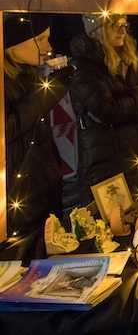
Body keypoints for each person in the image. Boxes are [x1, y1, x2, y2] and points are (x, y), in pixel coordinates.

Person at [4, 14, 74, 260]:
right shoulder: (6, 83)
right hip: (17, 197)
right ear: (12, 43)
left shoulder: (26, 75)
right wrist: (50, 92)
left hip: (42, 187)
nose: (48, 47)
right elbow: (9, 129)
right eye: (41, 39)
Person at [69, 13, 138, 206]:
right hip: (105, 161)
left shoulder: (128, 62)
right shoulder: (85, 67)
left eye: (124, 25)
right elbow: (106, 112)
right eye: (115, 25)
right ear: (98, 31)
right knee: (112, 224)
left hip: (133, 155)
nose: (122, 30)